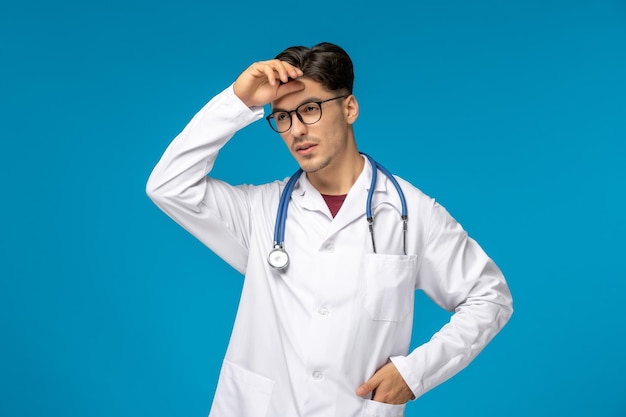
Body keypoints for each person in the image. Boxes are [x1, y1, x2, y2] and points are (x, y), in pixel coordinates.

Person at [146, 42, 513, 417]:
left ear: (349, 108)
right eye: (283, 117)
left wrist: (416, 373)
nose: (297, 130)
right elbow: (168, 185)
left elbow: (490, 297)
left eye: (310, 109)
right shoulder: (261, 211)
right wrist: (238, 101)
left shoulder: (412, 213)